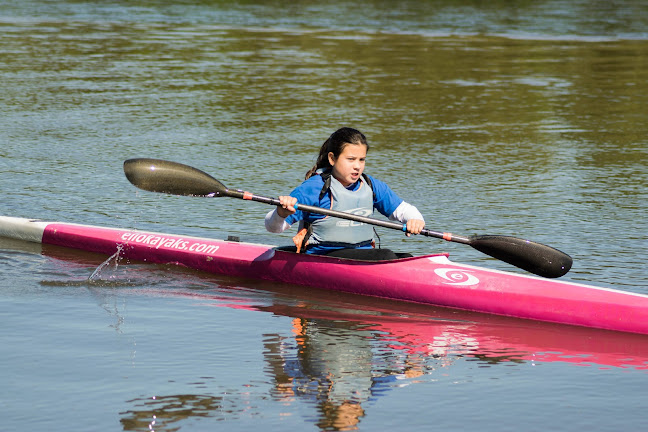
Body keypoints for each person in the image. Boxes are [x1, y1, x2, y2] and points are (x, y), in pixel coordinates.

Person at [265, 127, 425, 260]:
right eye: (351, 159)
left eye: (361, 160)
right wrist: (281, 212)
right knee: (386, 256)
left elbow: (404, 210)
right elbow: (273, 227)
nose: (357, 166)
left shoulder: (370, 185)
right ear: (332, 159)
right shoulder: (314, 188)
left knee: (407, 257)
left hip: (364, 255)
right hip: (323, 257)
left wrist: (415, 220)